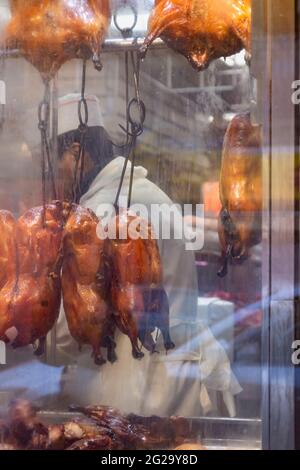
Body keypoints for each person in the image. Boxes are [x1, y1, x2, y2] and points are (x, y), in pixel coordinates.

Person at [54, 93, 241, 417]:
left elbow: (69, 335)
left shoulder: (98, 214)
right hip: (178, 374)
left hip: (135, 385)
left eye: (60, 163)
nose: (59, 175)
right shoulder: (155, 194)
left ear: (76, 153)